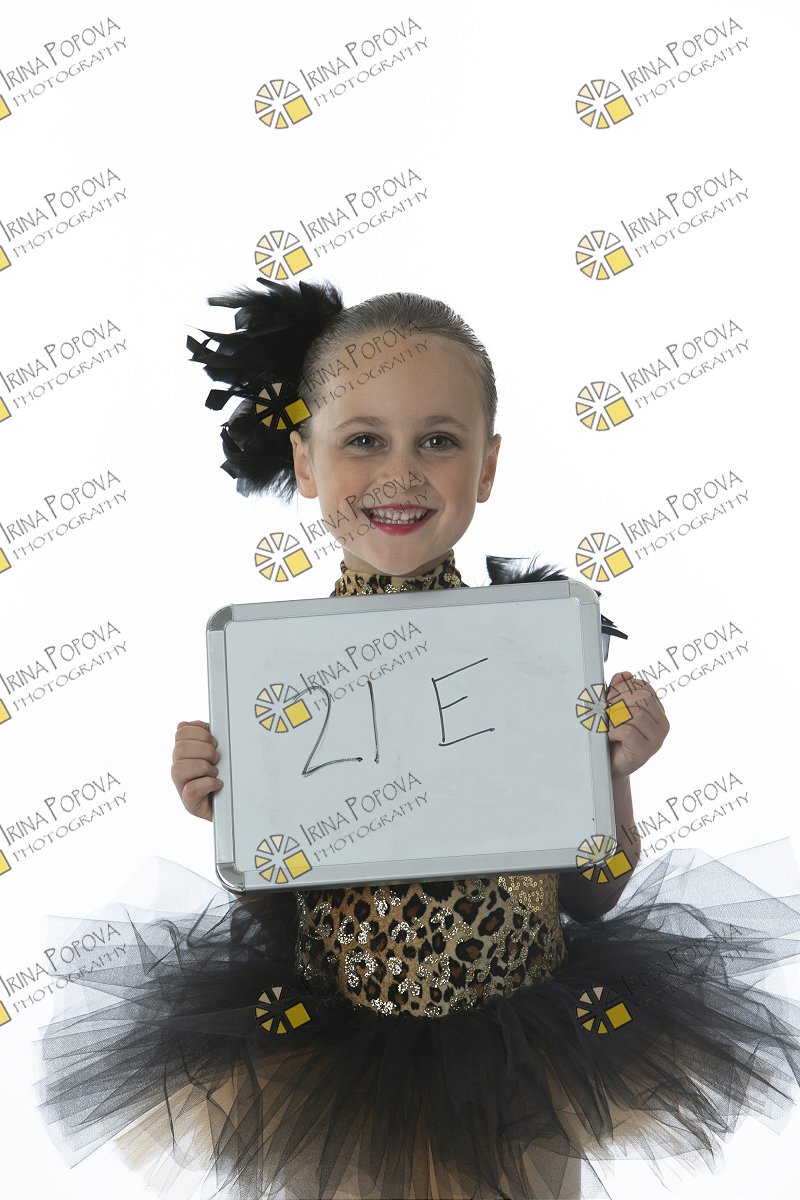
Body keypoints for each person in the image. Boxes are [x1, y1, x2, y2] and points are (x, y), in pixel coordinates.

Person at [35, 278, 800, 1200]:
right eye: (364, 441)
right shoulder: (276, 679)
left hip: (522, 1053)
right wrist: (227, 803)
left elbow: (593, 896)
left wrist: (616, 773)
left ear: (487, 465)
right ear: (306, 460)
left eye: (438, 441)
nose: (400, 474)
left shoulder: (534, 655)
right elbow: (283, 906)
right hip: (338, 1059)